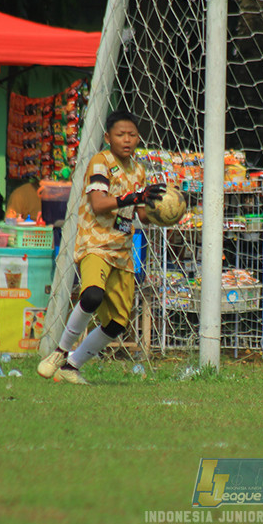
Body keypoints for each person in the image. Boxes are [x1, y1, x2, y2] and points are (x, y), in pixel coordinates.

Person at [37, 109, 165, 385]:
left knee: (117, 323)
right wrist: (134, 197)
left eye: (132, 135)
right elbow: (98, 204)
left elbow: (141, 215)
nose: (127, 140)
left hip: (122, 249)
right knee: (92, 295)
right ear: (108, 137)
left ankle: (71, 366)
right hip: (95, 242)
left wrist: (162, 209)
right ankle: (60, 352)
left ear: (138, 138)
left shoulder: (139, 170)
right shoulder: (101, 162)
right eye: (120, 134)